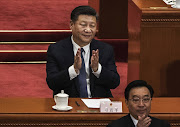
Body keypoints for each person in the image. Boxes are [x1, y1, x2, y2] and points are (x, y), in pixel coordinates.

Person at [46, 6, 120, 98]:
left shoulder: (105, 49)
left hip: (98, 104)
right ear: (71, 25)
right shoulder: (57, 49)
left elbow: (114, 83)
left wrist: (97, 69)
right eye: (83, 25)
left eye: (92, 26)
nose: (88, 30)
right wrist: (73, 70)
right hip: (69, 104)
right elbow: (52, 83)